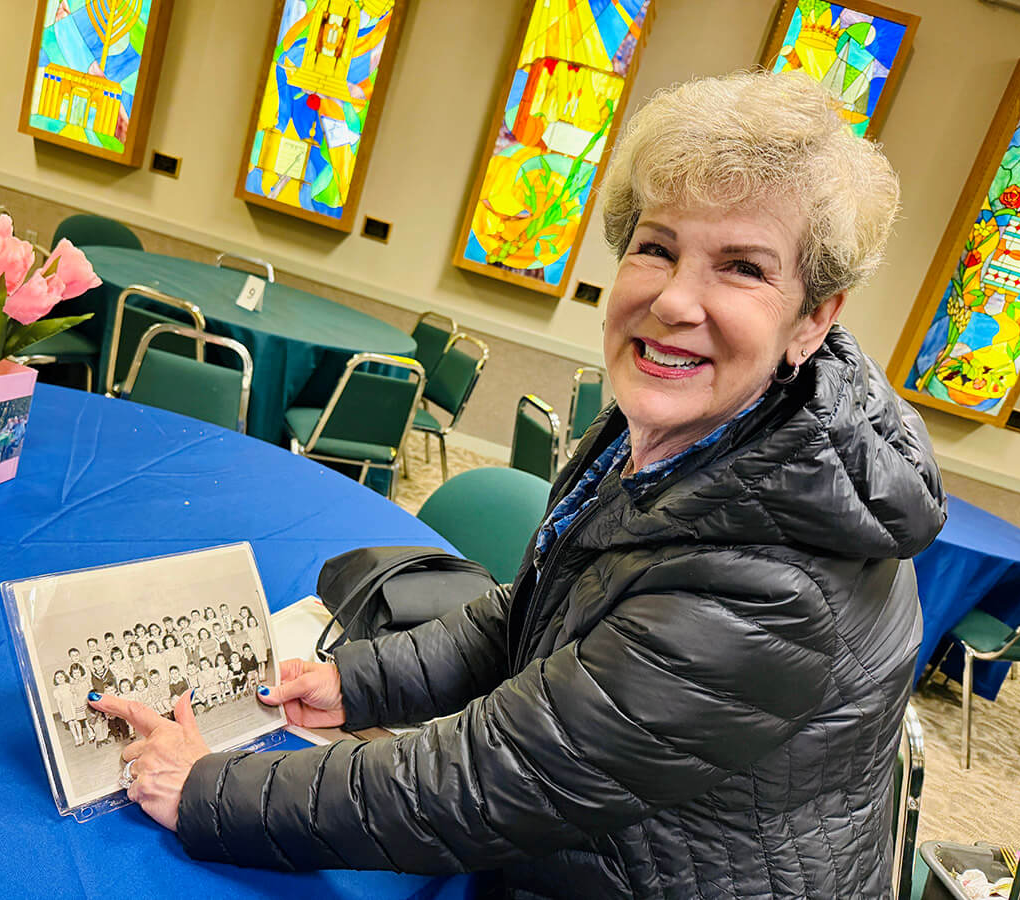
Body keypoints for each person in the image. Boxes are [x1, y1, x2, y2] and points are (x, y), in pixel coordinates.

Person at [89, 71, 947, 898]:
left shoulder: (774, 582)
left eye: (744, 267)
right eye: (657, 247)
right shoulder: (710, 429)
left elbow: (488, 780)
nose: (676, 301)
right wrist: (361, 682)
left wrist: (207, 789)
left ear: (816, 317)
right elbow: (537, 613)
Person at [52, 670, 83, 747]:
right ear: (55, 680)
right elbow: (59, 703)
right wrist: (61, 714)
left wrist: (77, 705)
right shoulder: (56, 691)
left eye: (61, 677)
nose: (60, 679)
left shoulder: (69, 686)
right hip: (65, 708)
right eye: (57, 678)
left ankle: (80, 736)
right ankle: (76, 738)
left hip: (73, 705)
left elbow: (75, 696)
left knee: (76, 722)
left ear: (65, 677)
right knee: (71, 724)